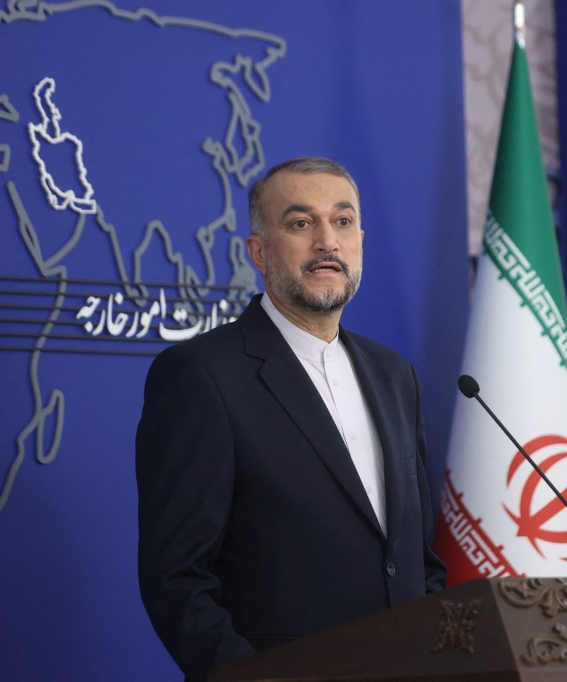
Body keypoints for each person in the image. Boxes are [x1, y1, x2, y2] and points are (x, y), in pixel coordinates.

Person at [135, 157, 446, 679]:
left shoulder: (396, 376)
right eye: (301, 224)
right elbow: (176, 578)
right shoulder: (200, 376)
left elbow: (419, 561)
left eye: (342, 222)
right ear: (258, 251)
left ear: (360, 242)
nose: (327, 241)